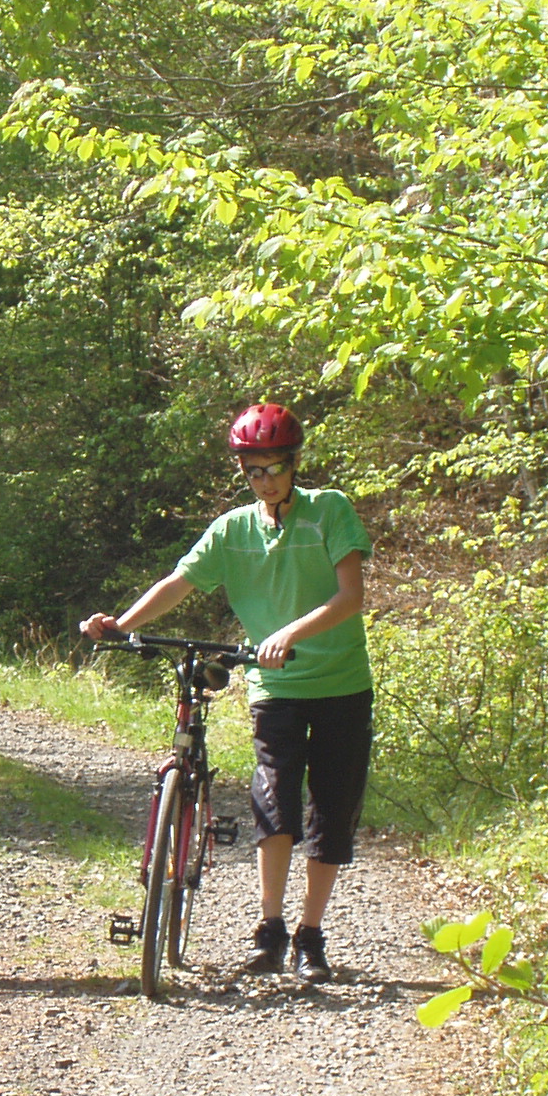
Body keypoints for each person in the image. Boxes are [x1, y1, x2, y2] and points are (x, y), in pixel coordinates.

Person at [81, 401, 372, 984]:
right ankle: (271, 930)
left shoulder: (328, 510)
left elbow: (350, 596)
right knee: (275, 801)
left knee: (332, 811)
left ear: (294, 463)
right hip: (275, 687)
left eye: (275, 467)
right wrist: (122, 626)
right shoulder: (233, 529)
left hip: (341, 683)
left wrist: (289, 632)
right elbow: (178, 583)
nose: (265, 480)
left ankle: (311, 935)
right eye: (253, 471)